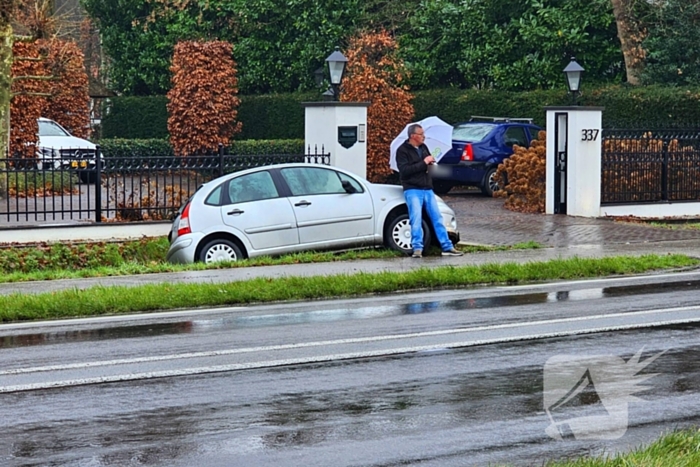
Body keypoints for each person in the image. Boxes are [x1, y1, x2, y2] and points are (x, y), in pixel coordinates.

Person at [395, 124, 463, 258]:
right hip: (413, 189)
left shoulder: (423, 147)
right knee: (416, 219)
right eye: (421, 134)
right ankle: (417, 248)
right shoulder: (402, 151)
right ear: (413, 136)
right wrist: (424, 162)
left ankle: (447, 246)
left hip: (427, 188)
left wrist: (431, 164)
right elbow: (404, 171)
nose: (423, 137)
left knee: (437, 218)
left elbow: (425, 166)